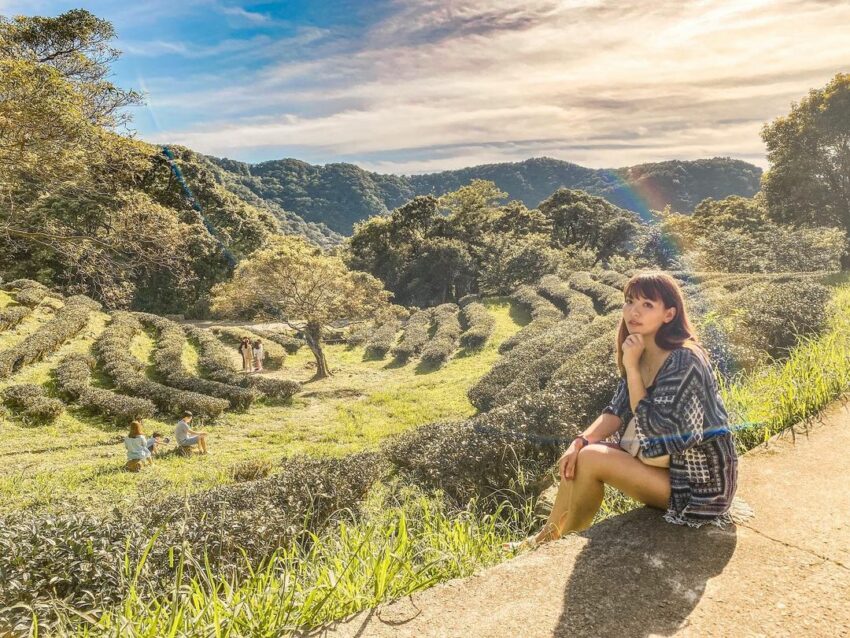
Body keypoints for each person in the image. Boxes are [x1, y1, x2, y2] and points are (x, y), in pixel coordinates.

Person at [504, 271, 748, 552]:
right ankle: (546, 537)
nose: (634, 311)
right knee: (579, 456)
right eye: (630, 301)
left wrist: (632, 369)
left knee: (593, 459)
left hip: (700, 488)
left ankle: (553, 546)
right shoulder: (640, 350)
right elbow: (616, 410)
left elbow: (658, 437)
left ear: (669, 315)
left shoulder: (685, 360)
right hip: (668, 469)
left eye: (647, 305)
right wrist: (580, 440)